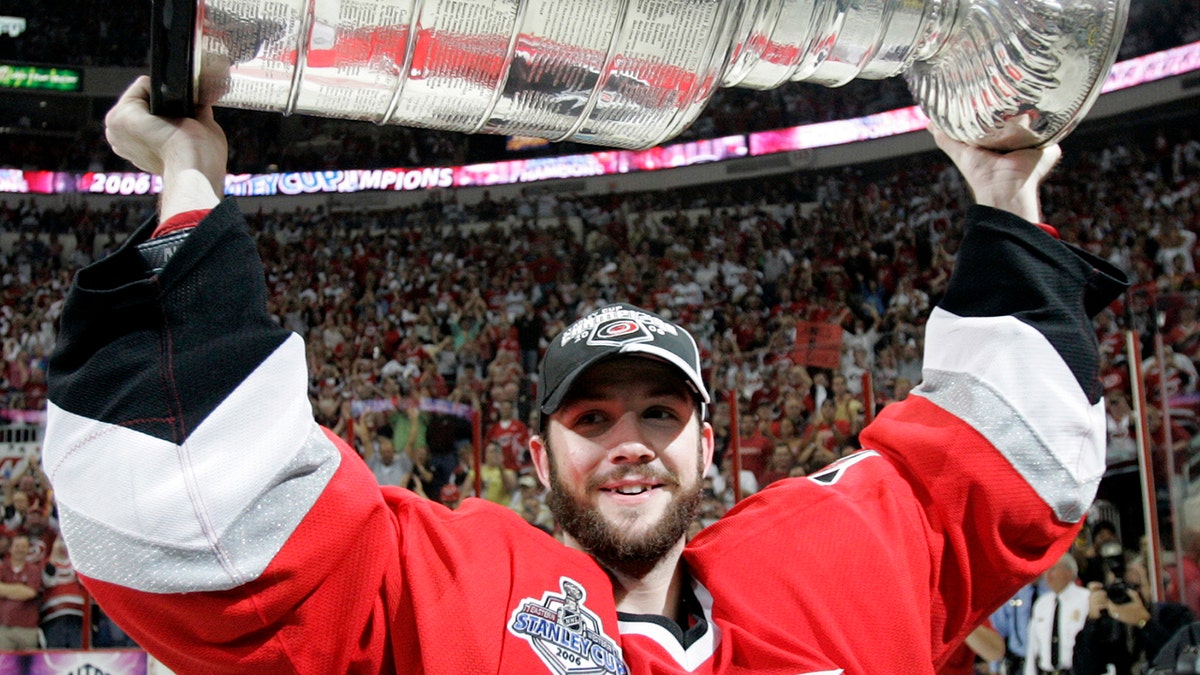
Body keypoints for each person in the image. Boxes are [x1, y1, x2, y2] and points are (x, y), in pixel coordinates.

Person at [41, 76, 1126, 673]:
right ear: (536, 453)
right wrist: (190, 180)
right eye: (592, 414)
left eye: (660, 411)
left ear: (710, 442)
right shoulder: (453, 594)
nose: (630, 440)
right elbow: (205, 521)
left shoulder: (831, 572)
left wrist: (1002, 193)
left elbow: (999, 466)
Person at [1024, 554, 1091, 675]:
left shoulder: (1087, 599)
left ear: (1069, 572)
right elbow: (1033, 647)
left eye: (1053, 569)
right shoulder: (1041, 604)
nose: (1048, 576)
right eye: (1046, 571)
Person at [0, 534, 43, 650]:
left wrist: (5, 589)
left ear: (28, 549)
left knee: (30, 665)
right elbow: (23, 591)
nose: (20, 549)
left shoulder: (34, 570)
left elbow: (29, 593)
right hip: (4, 629)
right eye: (17, 546)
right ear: (10, 548)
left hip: (27, 629)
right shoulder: (2, 567)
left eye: (23, 546)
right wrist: (19, 588)